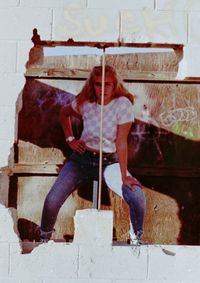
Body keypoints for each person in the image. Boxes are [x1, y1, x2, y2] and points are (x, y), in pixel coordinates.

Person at [40, 65, 146, 244]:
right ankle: (43, 239)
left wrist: (124, 176)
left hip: (109, 162)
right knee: (52, 199)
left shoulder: (123, 104)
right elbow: (64, 113)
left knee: (137, 196)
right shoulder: (85, 102)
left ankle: (137, 240)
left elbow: (121, 142)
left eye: (108, 84)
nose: (102, 89)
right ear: (92, 85)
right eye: (98, 84)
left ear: (115, 85)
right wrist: (71, 139)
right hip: (81, 160)